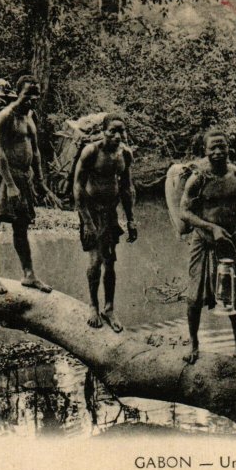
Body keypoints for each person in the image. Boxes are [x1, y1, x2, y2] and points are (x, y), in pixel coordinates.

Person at [179, 129, 236, 368]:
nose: (217, 152)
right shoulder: (199, 178)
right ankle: (193, 344)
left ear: (228, 148)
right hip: (202, 242)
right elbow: (184, 212)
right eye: (212, 148)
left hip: (229, 243)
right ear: (205, 151)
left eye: (221, 146)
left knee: (233, 296)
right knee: (194, 297)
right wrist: (210, 228)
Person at [0, 75, 54, 294]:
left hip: (24, 177)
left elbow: (36, 151)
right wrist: (10, 185)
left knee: (21, 226)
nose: (31, 100)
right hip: (3, 176)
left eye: (36, 95)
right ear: (18, 93)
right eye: (27, 95)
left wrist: (40, 180)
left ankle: (29, 275)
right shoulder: (5, 116)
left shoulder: (29, 117)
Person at [74, 113, 137, 332]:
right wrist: (87, 222)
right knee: (95, 260)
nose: (118, 136)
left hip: (111, 211)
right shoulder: (91, 151)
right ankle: (93, 305)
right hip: (91, 211)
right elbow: (78, 188)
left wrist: (131, 220)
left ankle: (109, 308)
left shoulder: (125, 154)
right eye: (113, 131)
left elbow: (127, 188)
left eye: (122, 131)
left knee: (110, 261)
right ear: (103, 131)